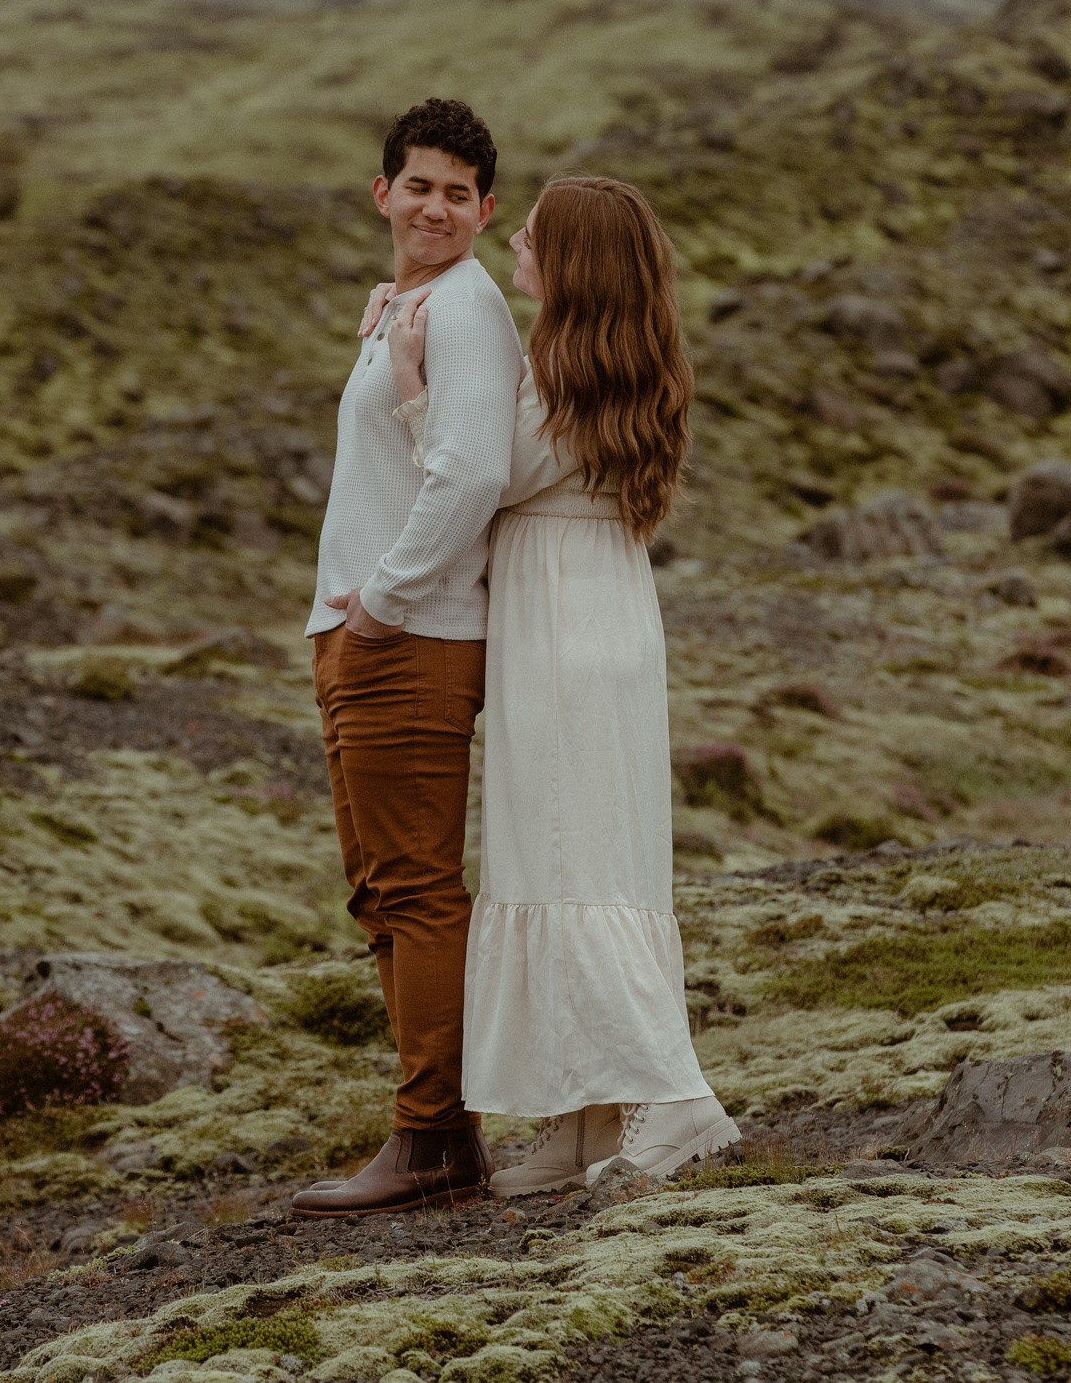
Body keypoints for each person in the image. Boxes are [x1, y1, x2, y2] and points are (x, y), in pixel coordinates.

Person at [382, 174, 739, 1194]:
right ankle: (586, 1116)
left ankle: (673, 1099)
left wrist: (412, 385)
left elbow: (479, 472)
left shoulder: (565, 366)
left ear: (574, 260)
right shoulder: (614, 359)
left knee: (576, 861)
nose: (515, 247)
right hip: (587, 613)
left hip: (567, 624)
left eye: (532, 235)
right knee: (565, 855)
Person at [290, 98, 519, 1218]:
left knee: (416, 891)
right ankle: (440, 1133)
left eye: (458, 192)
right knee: (381, 893)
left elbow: (469, 475)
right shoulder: (413, 303)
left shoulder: (467, 311)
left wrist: (381, 605)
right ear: (382, 193)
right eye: (417, 185)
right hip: (366, 636)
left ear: (486, 209)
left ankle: (432, 1138)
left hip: (408, 640)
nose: (435, 205)